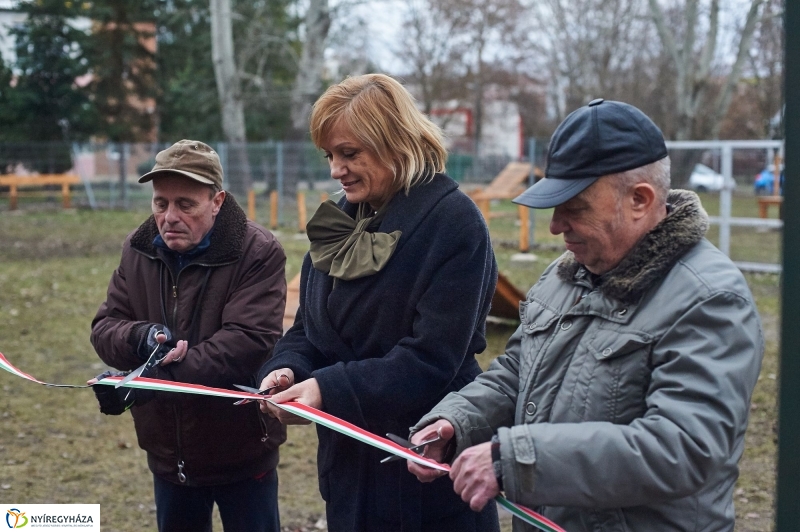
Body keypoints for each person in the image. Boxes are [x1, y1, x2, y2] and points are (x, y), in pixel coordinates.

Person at [408, 99, 764, 531]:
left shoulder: (708, 299)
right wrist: (458, 420)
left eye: (574, 208)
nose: (556, 226)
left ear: (640, 199)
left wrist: (515, 459)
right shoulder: (565, 276)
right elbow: (519, 371)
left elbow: (683, 447)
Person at [256, 74, 500, 531]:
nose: (335, 169)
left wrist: (328, 390)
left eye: (350, 154)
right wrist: (288, 368)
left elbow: (433, 358)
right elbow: (309, 329)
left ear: (396, 142)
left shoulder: (454, 223)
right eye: (329, 155)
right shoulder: (340, 220)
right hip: (350, 470)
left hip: (424, 466)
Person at [90, 140, 287, 532]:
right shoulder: (137, 248)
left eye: (186, 204)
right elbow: (105, 326)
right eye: (160, 203)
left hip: (241, 451)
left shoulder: (258, 251)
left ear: (217, 201)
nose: (170, 217)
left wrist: (148, 382)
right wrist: (143, 338)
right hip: (167, 452)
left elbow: (247, 342)